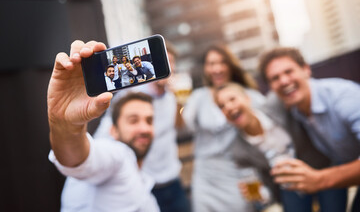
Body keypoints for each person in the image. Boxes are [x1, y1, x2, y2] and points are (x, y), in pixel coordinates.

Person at [47, 40, 159, 212]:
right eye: (133, 120)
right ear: (113, 131)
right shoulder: (117, 156)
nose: (144, 128)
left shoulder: (143, 178)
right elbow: (77, 159)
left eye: (149, 120)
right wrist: (67, 124)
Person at [88, 42, 191, 212]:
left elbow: (179, 127)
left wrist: (180, 102)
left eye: (171, 61)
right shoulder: (129, 97)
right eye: (163, 59)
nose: (167, 64)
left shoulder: (172, 97)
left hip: (173, 181)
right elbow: (103, 136)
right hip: (145, 184)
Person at [259, 47, 360, 212]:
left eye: (288, 71)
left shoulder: (344, 97)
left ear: (306, 69)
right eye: (275, 78)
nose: (284, 81)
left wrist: (320, 179)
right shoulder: (295, 110)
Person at [182, 43, 266, 212]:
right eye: (211, 64)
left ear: (230, 65)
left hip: (240, 172)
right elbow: (185, 125)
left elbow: (267, 128)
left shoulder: (248, 96)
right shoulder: (198, 97)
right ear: (205, 68)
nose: (217, 68)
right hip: (206, 175)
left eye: (222, 62)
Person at [214, 82, 293, 209]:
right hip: (287, 188)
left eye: (232, 99)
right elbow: (262, 191)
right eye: (221, 106)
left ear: (247, 98)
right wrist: (259, 194)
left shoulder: (275, 108)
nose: (228, 107)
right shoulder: (238, 151)